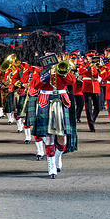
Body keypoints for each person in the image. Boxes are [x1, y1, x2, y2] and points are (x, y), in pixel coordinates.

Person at [28, 32, 77, 178]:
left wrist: (62, 71)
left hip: (61, 99)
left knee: (61, 136)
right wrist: (44, 77)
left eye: (52, 52)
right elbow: (34, 85)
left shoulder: (63, 65)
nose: (50, 54)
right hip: (45, 99)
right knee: (48, 135)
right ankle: (50, 165)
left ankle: (58, 157)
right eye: (48, 52)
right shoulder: (39, 68)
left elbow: (72, 82)